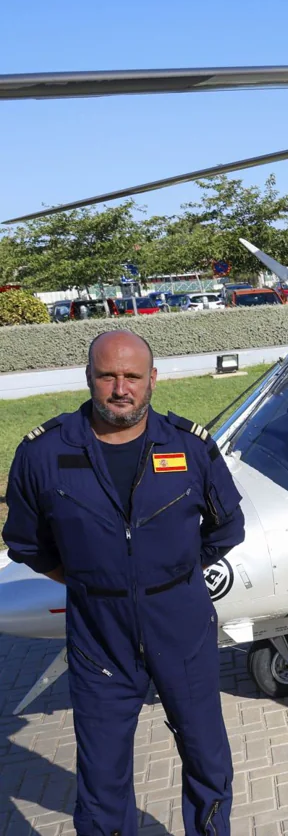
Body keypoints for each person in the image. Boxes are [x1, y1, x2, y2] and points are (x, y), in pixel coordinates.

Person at [2, 330, 245, 835]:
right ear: (88, 378)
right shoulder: (43, 454)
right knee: (102, 776)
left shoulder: (189, 446)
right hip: (99, 636)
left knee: (207, 756)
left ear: (152, 379)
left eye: (132, 376)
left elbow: (228, 527)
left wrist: (169, 574)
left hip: (181, 626)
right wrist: (94, 579)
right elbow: (25, 542)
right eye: (107, 375)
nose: (120, 388)